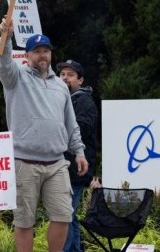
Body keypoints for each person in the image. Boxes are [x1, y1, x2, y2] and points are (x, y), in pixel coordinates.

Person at [0, 18, 89, 252]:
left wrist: (79, 151)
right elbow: (2, 63)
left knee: (64, 215)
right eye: (37, 51)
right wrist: (5, 37)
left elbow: (70, 122)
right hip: (24, 161)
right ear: (27, 55)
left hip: (57, 162)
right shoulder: (15, 78)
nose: (42, 55)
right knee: (24, 220)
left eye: (46, 51)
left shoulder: (60, 86)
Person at [56, 59, 98, 252]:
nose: (65, 78)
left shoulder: (84, 101)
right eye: (62, 74)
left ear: (80, 80)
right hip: (63, 167)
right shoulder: (58, 98)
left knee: (66, 215)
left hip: (76, 169)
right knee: (67, 215)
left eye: (70, 75)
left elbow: (81, 129)